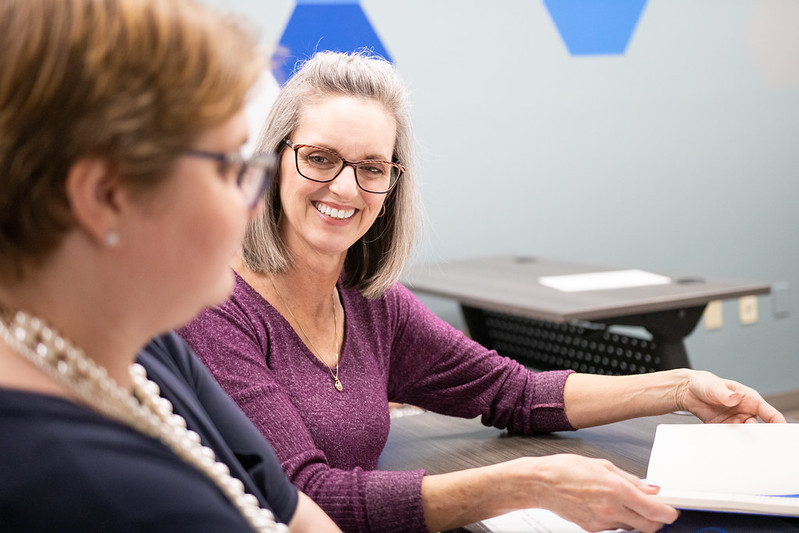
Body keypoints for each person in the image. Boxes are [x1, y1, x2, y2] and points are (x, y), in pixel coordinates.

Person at [177, 51, 786, 533]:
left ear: (392, 182)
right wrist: (525, 483)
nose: (345, 186)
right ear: (275, 161)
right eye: (320, 157)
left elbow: (511, 391)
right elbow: (305, 496)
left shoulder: (369, 303)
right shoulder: (217, 309)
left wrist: (679, 388)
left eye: (372, 167)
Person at [0, 1, 342, 531]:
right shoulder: (109, 498)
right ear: (105, 194)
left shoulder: (145, 348)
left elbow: (290, 506)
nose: (253, 202)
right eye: (230, 165)